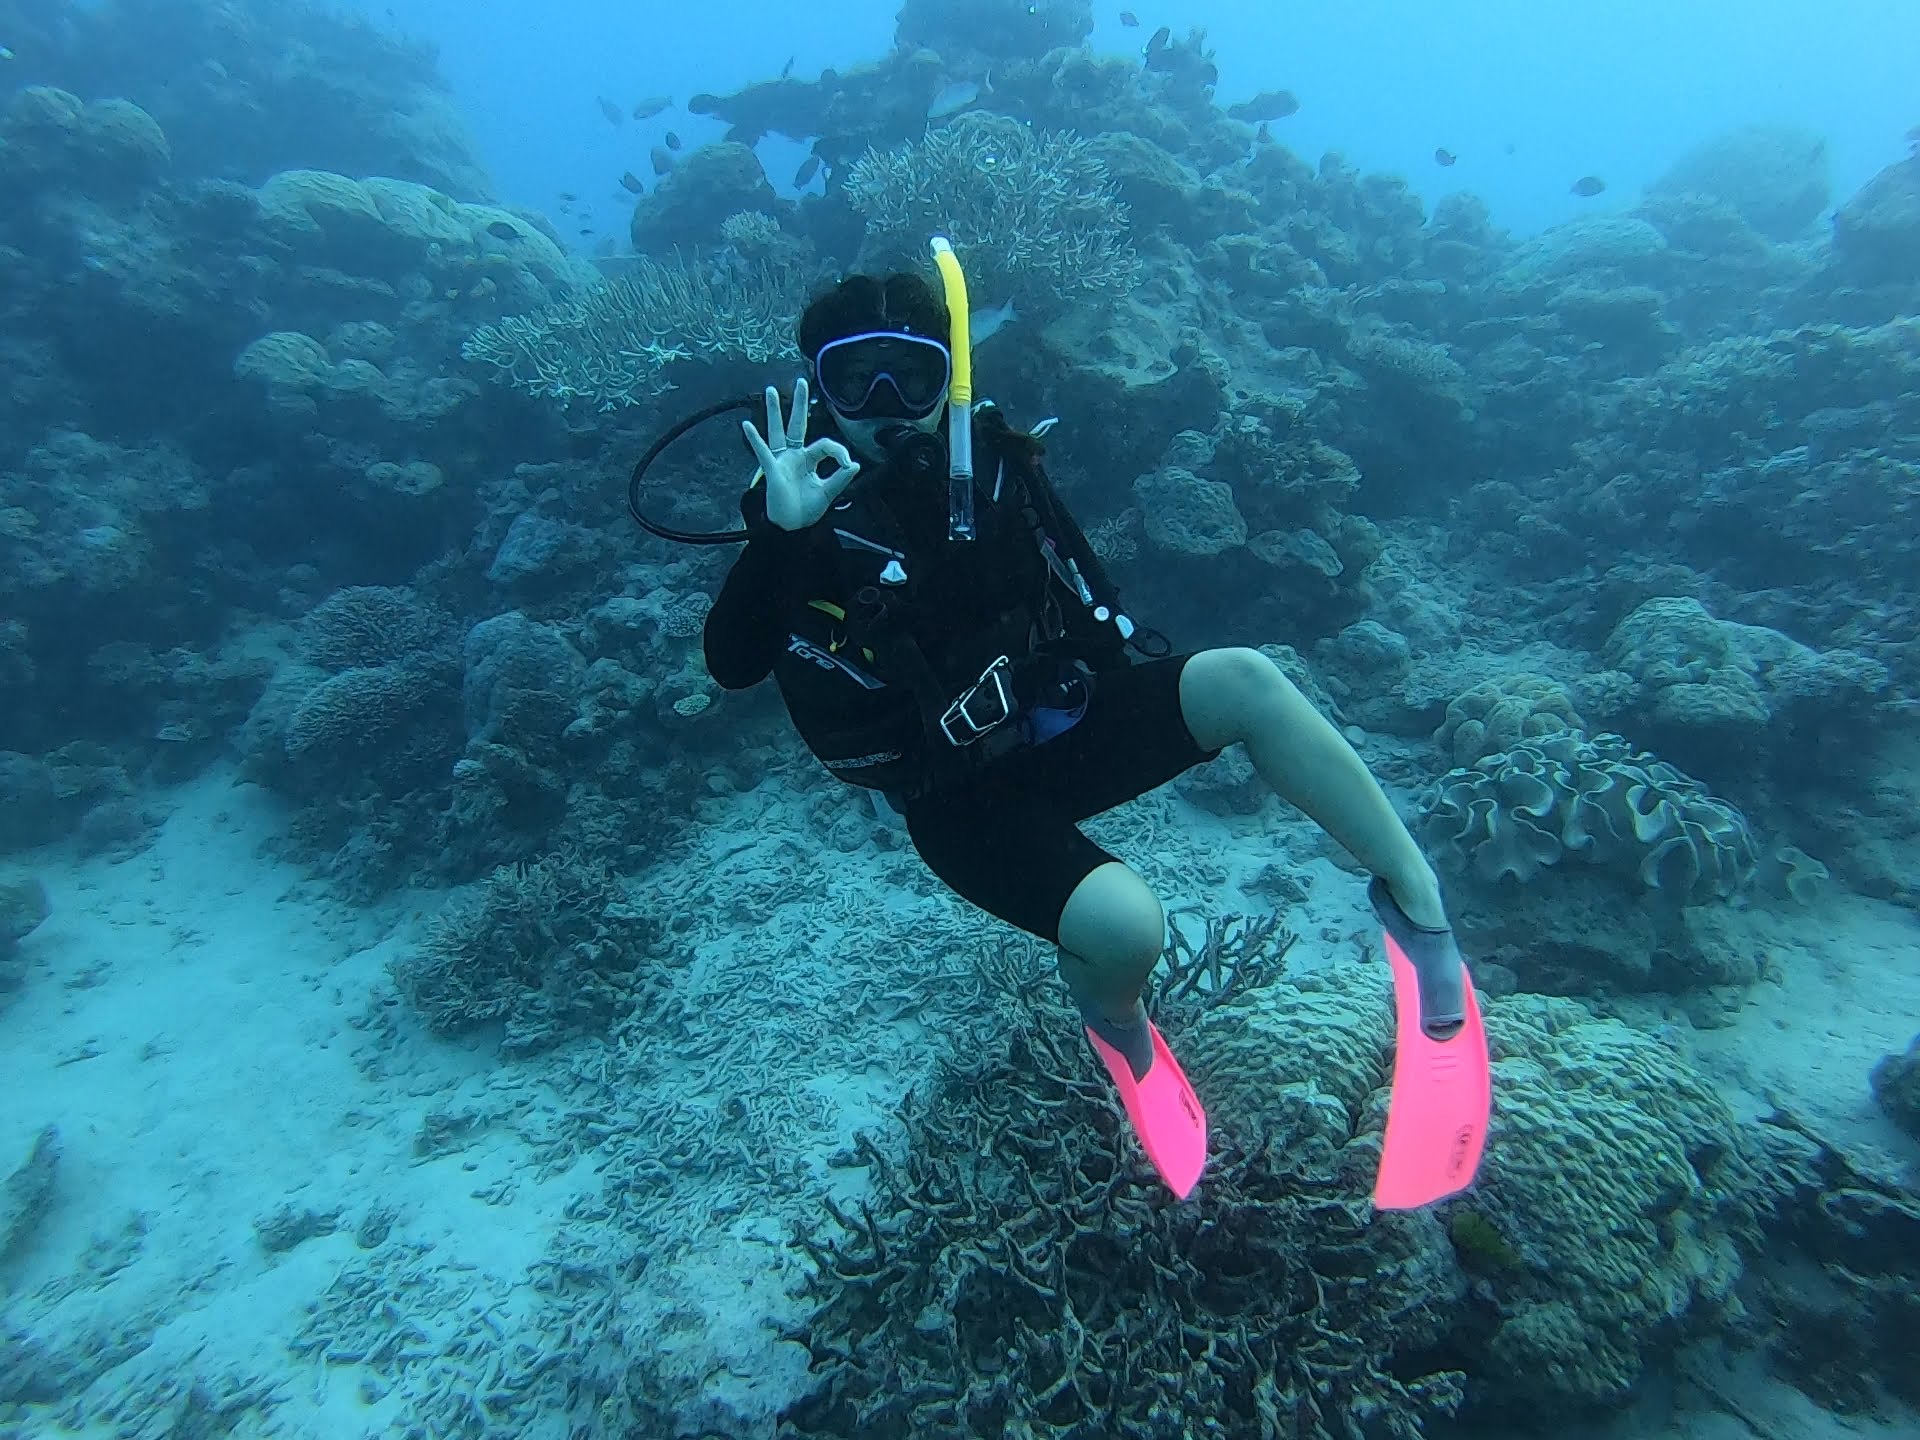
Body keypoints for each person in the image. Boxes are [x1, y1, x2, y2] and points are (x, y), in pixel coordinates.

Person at [703, 270, 1476, 1198]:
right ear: (815, 389)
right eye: (851, 379)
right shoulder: (796, 509)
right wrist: (782, 539)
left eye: (909, 379)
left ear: (948, 376)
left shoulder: (992, 465)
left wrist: (1121, 702)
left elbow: (1088, 604)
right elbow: (732, 662)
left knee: (1245, 679)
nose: (881, 407)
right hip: (952, 800)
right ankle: (1119, 1027)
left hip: (1052, 729)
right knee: (1123, 926)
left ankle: (1420, 908)